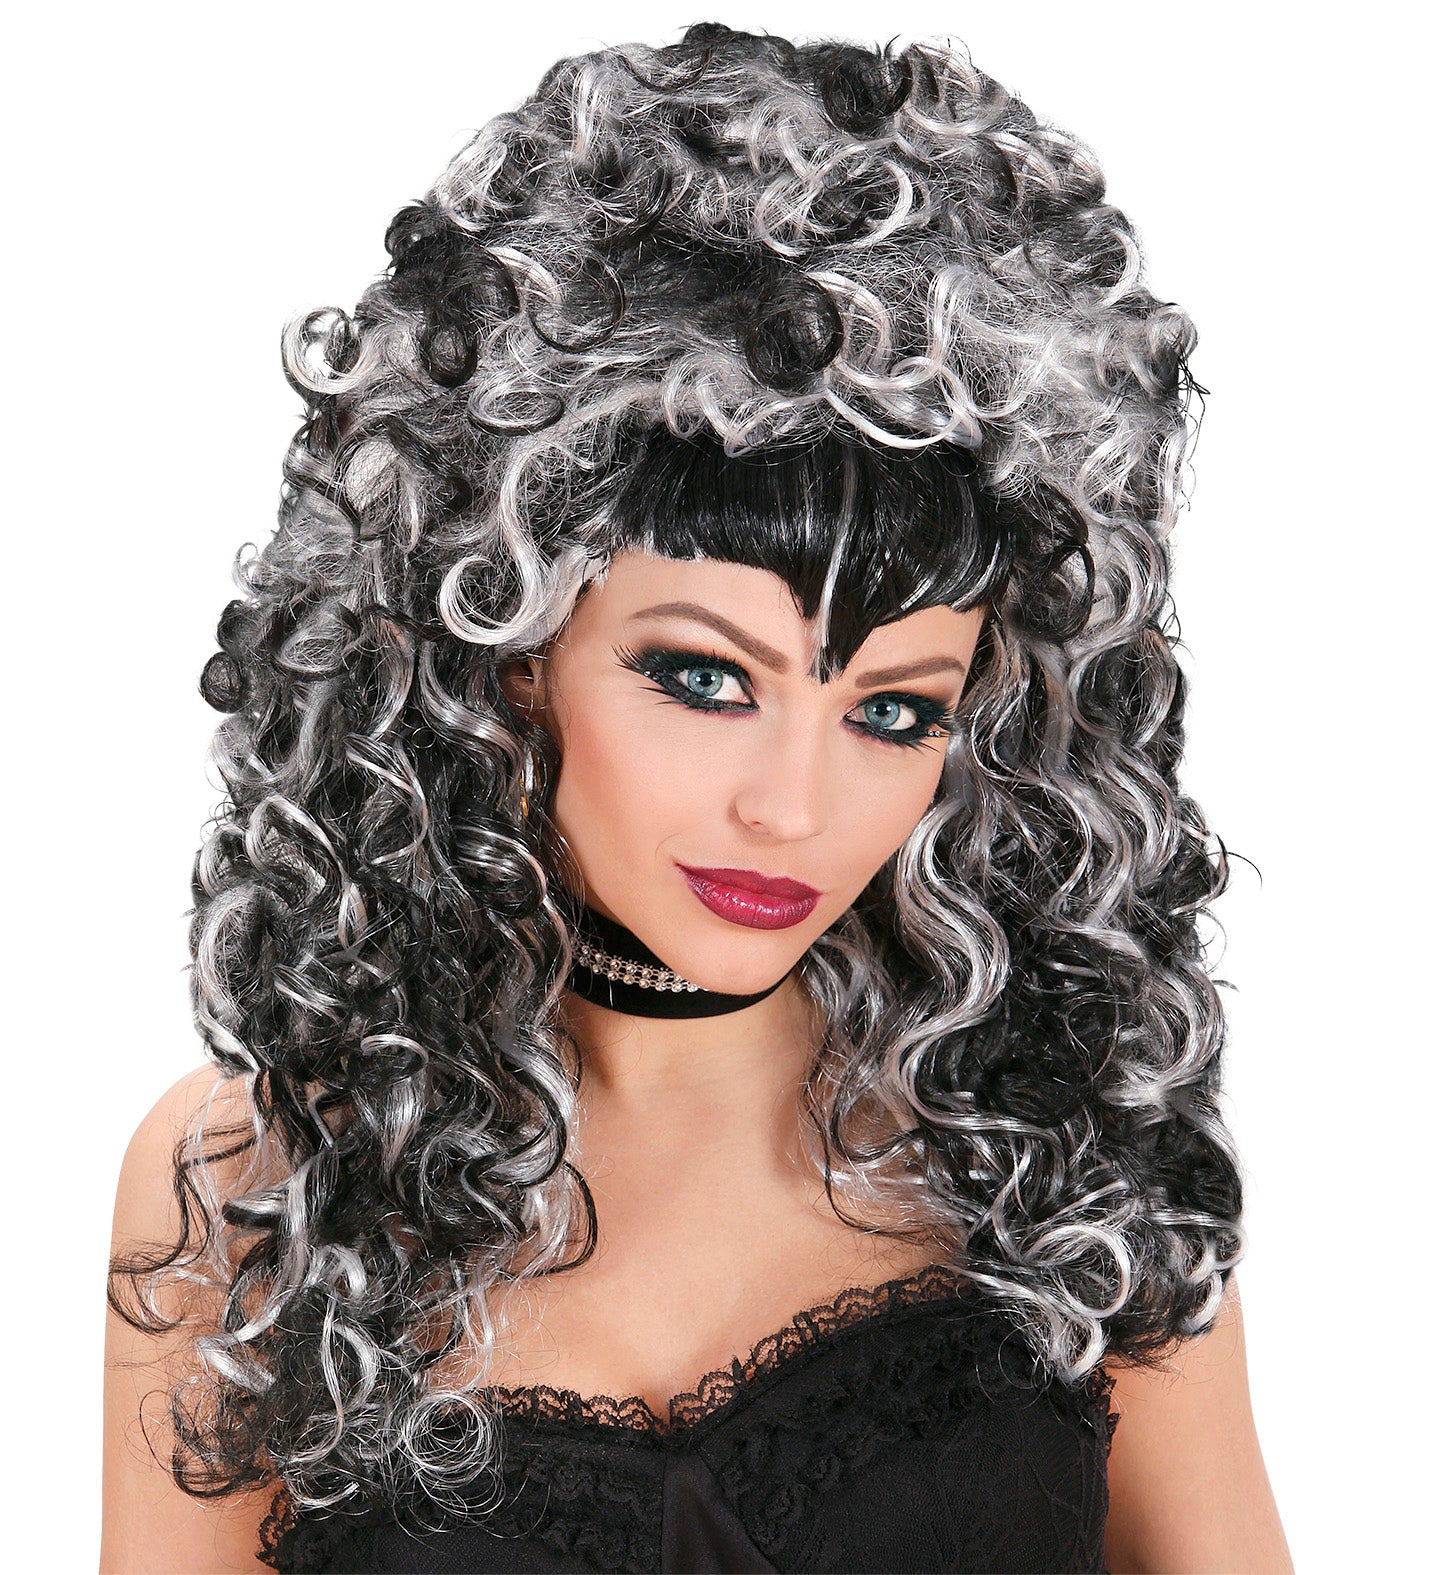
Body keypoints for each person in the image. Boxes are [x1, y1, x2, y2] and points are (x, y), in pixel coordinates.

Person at [103, 21, 1293, 1574]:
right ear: (506, 652)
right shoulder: (261, 1180)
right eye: (705, 680)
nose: (793, 807)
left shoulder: (1057, 1132)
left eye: (891, 711)